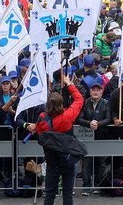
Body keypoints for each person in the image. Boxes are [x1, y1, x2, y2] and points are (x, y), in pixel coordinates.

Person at [35, 71, 84, 205]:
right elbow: (79, 99)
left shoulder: (42, 119)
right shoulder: (67, 116)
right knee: (68, 194)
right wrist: (69, 84)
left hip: (52, 160)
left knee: (50, 193)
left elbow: (40, 134)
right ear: (61, 104)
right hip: (67, 159)